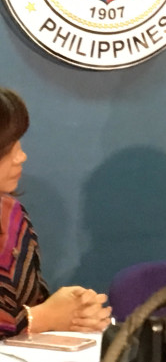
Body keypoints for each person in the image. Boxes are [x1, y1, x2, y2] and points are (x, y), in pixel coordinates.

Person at [0, 87, 112, 337]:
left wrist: (76, 313)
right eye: (8, 148)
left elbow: (36, 303)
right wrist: (38, 319)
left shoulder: (13, 217)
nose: (21, 156)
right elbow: (37, 315)